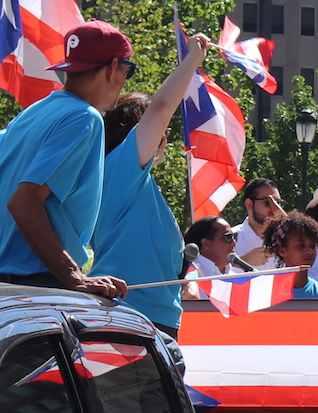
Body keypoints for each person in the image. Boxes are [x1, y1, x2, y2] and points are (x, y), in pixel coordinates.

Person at [0, 20, 131, 299]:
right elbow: (23, 202)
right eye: (128, 70)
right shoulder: (84, 118)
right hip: (41, 285)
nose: (124, 79)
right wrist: (73, 277)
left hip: (3, 282)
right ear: (114, 67)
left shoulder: (35, 112)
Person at [91, 33, 212, 336]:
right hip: (131, 321)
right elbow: (161, 107)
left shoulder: (132, 184)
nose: (167, 135)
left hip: (148, 321)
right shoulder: (120, 169)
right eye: (164, 129)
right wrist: (193, 60)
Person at [259, 213, 318, 300]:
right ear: (281, 251)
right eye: (301, 246)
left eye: (312, 246)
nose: (310, 251)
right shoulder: (266, 293)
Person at [230, 177, 286, 262]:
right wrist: (244, 261)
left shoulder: (286, 238)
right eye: (268, 202)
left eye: (278, 203)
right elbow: (216, 272)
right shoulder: (230, 239)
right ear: (249, 205)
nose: (274, 208)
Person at [185, 216, 249, 279]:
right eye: (228, 237)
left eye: (234, 236)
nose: (234, 243)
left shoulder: (238, 275)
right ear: (207, 243)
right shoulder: (190, 275)